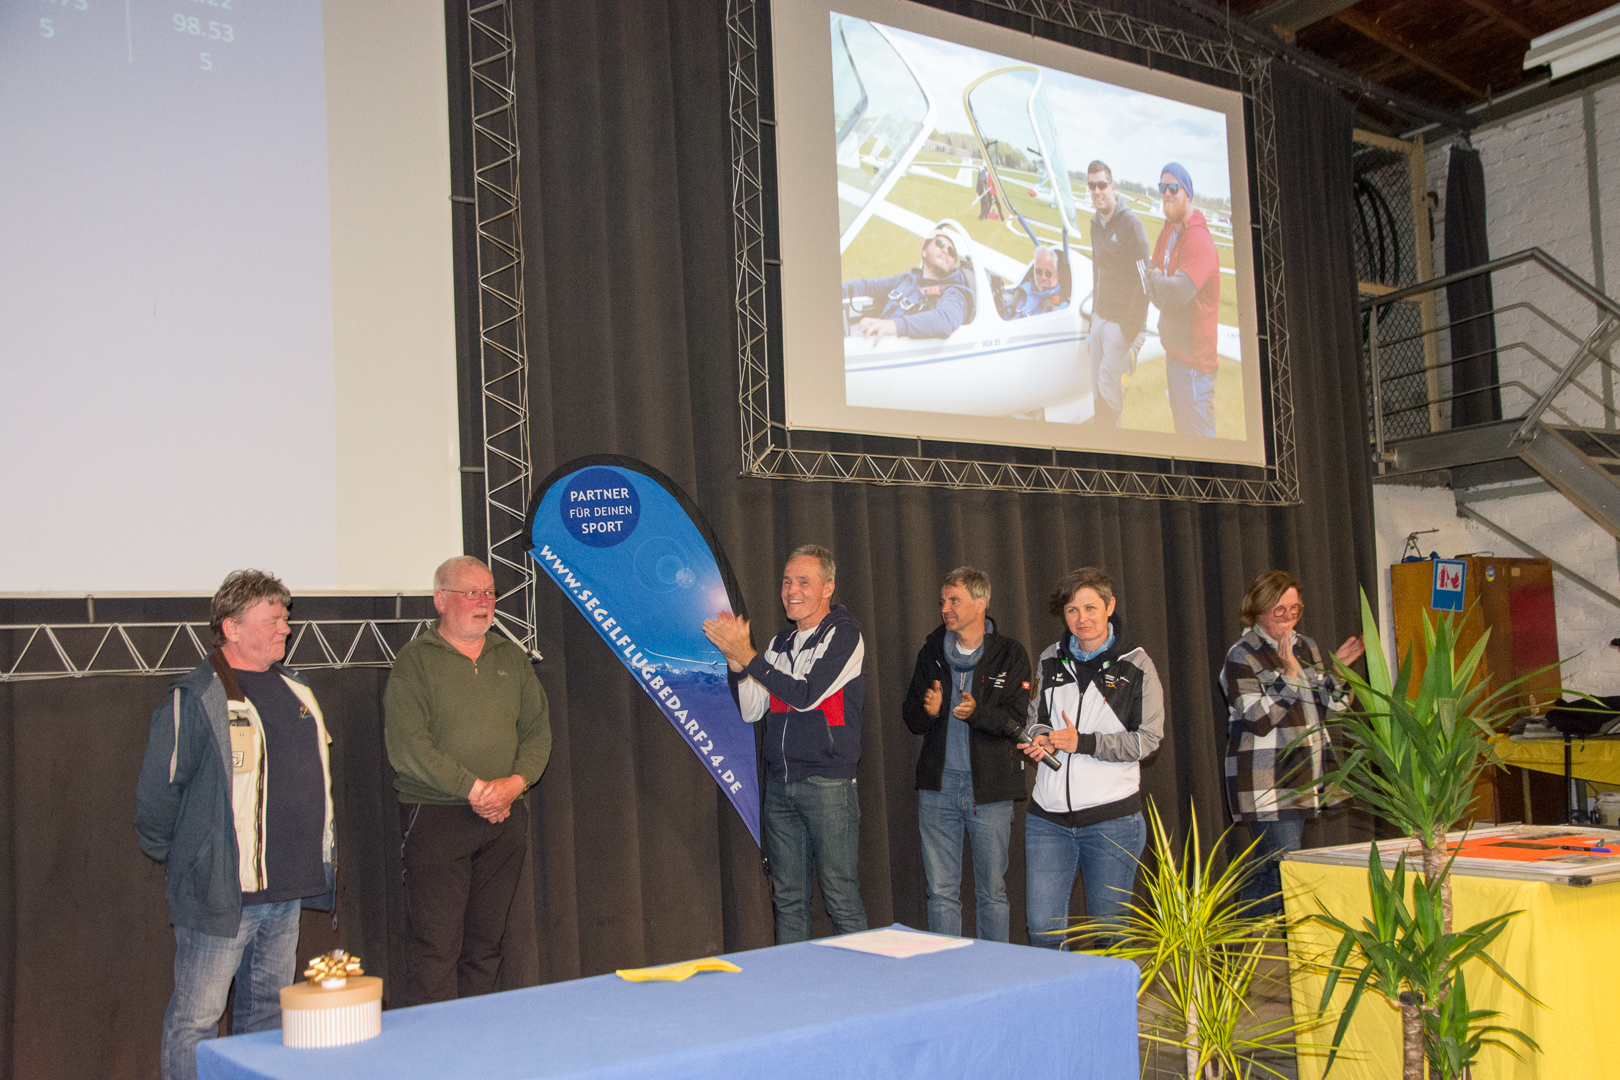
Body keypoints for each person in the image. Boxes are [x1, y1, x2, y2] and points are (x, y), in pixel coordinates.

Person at [135, 570, 336, 1080]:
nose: (285, 628)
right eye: (272, 620)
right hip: (222, 891)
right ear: (232, 627)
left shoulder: (297, 688)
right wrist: (196, 859)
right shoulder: (196, 697)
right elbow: (158, 796)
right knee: (197, 1019)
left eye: (285, 618)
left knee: (266, 1016)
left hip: (286, 886)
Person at [384, 555, 552, 1006]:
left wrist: (514, 785)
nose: (484, 602)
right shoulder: (415, 662)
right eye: (472, 592)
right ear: (441, 600)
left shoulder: (511, 658)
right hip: (436, 817)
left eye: (490, 592)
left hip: (504, 818)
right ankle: (436, 1043)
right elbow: (409, 747)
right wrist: (476, 790)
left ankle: (476, 1036)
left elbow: (538, 734)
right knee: (436, 947)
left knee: (486, 944)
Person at [703, 544, 868, 943]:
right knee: (788, 900)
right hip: (780, 786)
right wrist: (737, 665)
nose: (792, 590)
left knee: (841, 898)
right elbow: (752, 710)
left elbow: (806, 694)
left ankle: (866, 977)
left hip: (828, 784)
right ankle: (792, 980)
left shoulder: (845, 634)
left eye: (803, 582)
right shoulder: (779, 644)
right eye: (787, 581)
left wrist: (749, 657)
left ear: (827, 587)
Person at [1018, 567, 1163, 948]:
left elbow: (1148, 741)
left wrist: (1082, 743)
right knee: (1043, 930)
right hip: (1047, 820)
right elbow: (1035, 719)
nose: (1081, 619)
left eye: (1090, 608)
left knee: (1109, 936)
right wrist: (1041, 739)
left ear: (1110, 606)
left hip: (1112, 821)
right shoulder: (1049, 659)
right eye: (1072, 610)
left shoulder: (1137, 665)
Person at [900, 567, 1031, 941]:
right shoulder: (931, 651)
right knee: (940, 893)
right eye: (943, 601)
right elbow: (911, 715)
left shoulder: (1009, 653)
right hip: (938, 788)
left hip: (990, 790)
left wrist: (977, 713)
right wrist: (928, 710)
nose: (945, 608)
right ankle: (947, 971)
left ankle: (993, 971)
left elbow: (1017, 719)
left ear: (980, 603)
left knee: (992, 893)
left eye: (954, 600)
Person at [1221, 571, 1362, 916]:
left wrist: (1340, 673)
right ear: (1257, 610)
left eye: (1294, 609)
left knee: (1278, 869)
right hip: (1267, 778)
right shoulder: (1242, 655)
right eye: (1279, 610)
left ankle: (1227, 933)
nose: (1287, 617)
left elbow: (1334, 707)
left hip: (1306, 772)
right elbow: (1257, 719)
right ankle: (1225, 932)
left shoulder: (1305, 646)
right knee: (1281, 870)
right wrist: (1289, 674)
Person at [1145, 162, 1221, 438]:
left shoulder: (1198, 239)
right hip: (1174, 354)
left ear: (1187, 194)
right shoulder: (1169, 230)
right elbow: (1149, 271)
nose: (1166, 193)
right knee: (1182, 440)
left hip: (1194, 367)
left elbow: (1176, 294)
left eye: (1173, 187)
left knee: (1201, 449)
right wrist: (1158, 284)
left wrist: (1157, 284)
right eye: (1162, 187)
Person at [1084, 160, 1151, 428]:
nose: (1097, 191)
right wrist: (1093, 318)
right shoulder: (1095, 224)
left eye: (1101, 185)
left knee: (1109, 394)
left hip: (1122, 325)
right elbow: (1097, 272)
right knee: (1097, 393)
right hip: (1100, 318)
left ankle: (1108, 445)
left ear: (1112, 187)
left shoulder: (1130, 225)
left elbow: (1145, 282)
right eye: (1091, 186)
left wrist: (1129, 330)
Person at [842, 220, 973, 340]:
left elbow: (945, 320)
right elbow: (868, 286)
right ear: (924, 251)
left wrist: (894, 325)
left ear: (953, 264)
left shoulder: (954, 293)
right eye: (940, 244)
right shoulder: (906, 279)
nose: (945, 251)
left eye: (951, 252)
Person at [1008, 246, 1069, 319]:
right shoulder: (1022, 292)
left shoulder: (1062, 308)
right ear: (1034, 271)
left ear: (1056, 276)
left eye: (1048, 273)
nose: (1043, 277)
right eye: (1039, 271)